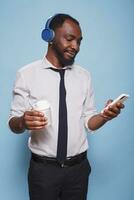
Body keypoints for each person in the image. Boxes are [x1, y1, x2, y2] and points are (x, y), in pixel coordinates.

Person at [8, 13, 124, 200]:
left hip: (78, 170)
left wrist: (104, 116)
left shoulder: (84, 76)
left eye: (79, 41)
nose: (75, 47)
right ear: (50, 37)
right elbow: (13, 123)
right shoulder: (26, 74)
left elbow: (89, 121)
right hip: (43, 172)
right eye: (70, 39)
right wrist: (22, 121)